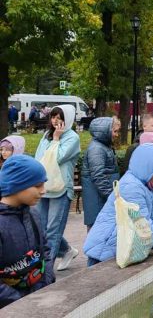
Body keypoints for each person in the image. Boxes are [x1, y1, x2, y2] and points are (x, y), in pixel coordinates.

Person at [83, 143, 153, 266]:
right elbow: (142, 223)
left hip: (119, 247)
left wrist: (151, 243)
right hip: (103, 249)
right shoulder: (131, 187)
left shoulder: (148, 186)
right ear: (147, 169)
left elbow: (152, 218)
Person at [0, 156, 54, 307]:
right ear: (17, 185)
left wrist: (45, 283)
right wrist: (21, 302)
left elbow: (45, 250)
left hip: (37, 298)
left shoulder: (33, 214)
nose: (43, 191)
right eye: (38, 186)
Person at [33, 105, 80, 271]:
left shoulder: (72, 138)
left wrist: (56, 139)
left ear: (67, 119)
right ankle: (66, 250)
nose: (55, 121)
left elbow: (57, 158)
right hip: (44, 186)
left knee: (53, 230)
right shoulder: (46, 135)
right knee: (40, 228)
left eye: (60, 118)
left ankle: (45, 270)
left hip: (60, 189)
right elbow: (39, 158)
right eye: (53, 117)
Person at [81, 117, 121, 231]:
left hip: (99, 198)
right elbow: (98, 176)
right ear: (105, 131)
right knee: (97, 231)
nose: (117, 135)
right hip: (98, 200)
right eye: (115, 131)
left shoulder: (102, 146)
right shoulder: (97, 149)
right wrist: (111, 196)